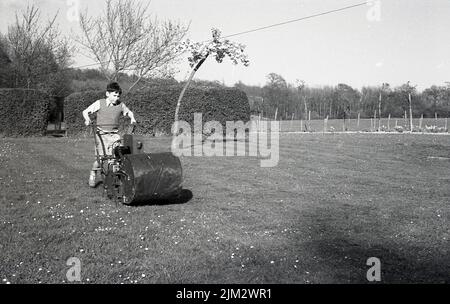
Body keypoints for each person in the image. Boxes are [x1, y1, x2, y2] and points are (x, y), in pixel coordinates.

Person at [82, 82, 137, 187]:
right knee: (102, 159)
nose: (116, 98)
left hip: (114, 135)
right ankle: (93, 172)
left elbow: (129, 112)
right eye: (114, 95)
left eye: (118, 95)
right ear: (107, 94)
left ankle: (113, 179)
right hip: (101, 134)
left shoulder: (121, 105)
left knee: (116, 156)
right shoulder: (100, 103)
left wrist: (132, 118)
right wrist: (87, 119)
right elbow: (85, 112)